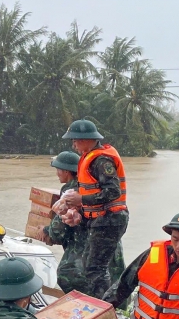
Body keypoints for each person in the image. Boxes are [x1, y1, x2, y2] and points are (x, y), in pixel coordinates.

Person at [52, 120, 128, 299]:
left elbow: (113, 191)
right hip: (101, 219)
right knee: (90, 266)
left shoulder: (101, 160)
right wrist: (78, 210)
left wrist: (81, 199)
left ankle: (104, 308)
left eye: (75, 141)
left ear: (86, 139)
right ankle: (102, 305)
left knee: (95, 269)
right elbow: (93, 190)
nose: (74, 145)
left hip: (110, 219)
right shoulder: (90, 157)